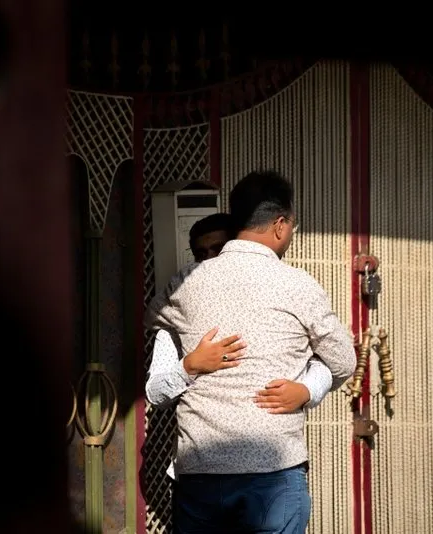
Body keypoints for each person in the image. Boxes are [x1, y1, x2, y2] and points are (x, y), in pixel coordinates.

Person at [146, 170, 356, 533]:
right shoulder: (299, 286)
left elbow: (154, 320)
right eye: (291, 225)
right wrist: (309, 389)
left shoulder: (184, 284)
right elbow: (342, 360)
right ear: (279, 225)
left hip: (201, 473)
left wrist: (189, 365)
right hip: (273, 474)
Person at [145, 212, 335, 481]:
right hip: (203, 475)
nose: (210, 260)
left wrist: (307, 389)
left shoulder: (284, 299)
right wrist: (189, 367)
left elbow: (325, 360)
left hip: (273, 471)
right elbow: (155, 393)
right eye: (202, 254)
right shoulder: (178, 312)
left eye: (218, 250)